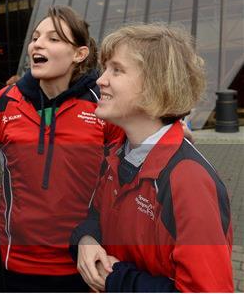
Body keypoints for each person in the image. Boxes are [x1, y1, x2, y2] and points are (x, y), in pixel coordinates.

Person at [72, 24, 233, 292]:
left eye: (117, 70)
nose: (100, 80)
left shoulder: (188, 180)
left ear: (155, 85)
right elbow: (96, 215)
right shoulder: (115, 155)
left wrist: (117, 278)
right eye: (105, 69)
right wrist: (86, 240)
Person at [0, 6, 123, 292]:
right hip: (11, 264)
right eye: (35, 37)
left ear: (79, 54)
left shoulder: (102, 106)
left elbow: (120, 182)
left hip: (79, 266)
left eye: (54, 39)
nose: (38, 44)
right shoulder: (6, 101)